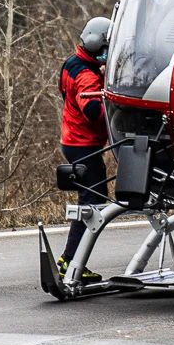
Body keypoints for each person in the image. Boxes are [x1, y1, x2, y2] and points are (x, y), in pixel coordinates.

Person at [59, 16, 114, 279]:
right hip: (84, 145)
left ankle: (71, 260)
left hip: (72, 141)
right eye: (106, 47)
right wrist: (115, 108)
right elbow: (92, 110)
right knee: (92, 205)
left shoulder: (72, 63)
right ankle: (71, 261)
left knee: (92, 200)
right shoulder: (86, 74)